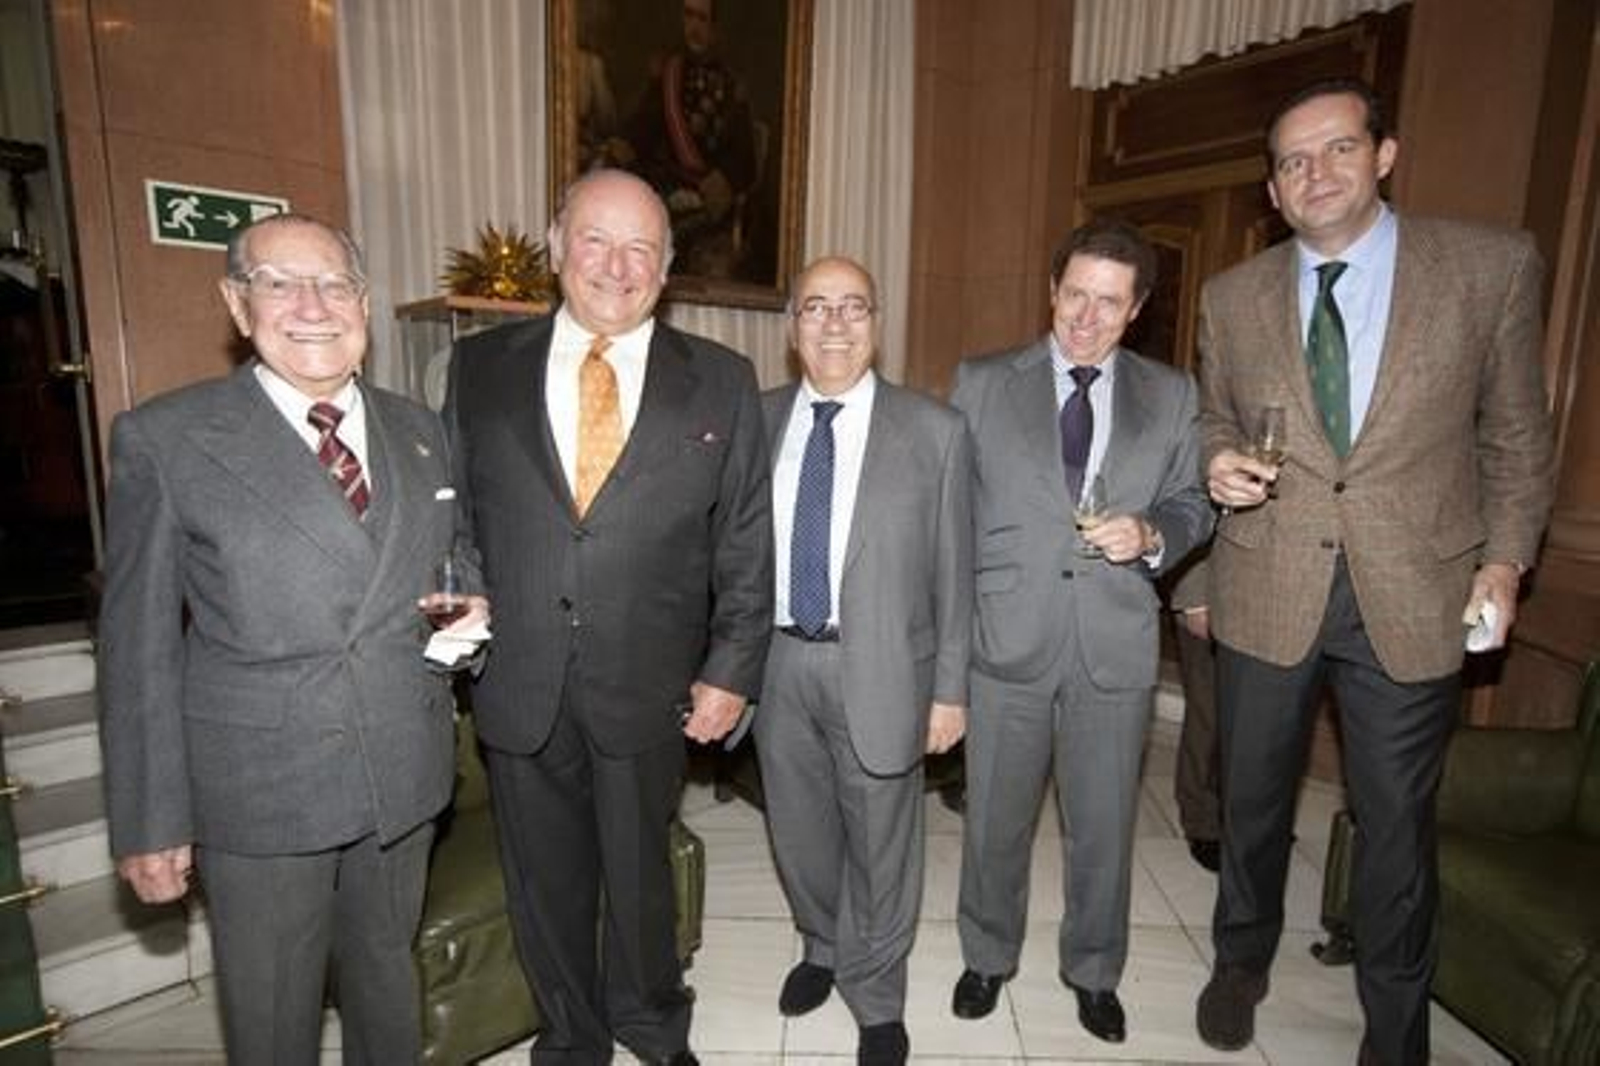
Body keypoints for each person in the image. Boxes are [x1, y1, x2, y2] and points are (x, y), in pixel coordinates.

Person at [1194, 77, 1555, 1066]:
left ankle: (1395, 1034)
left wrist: (1504, 560)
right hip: (1268, 583)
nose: (1316, 172)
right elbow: (1214, 417)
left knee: (1396, 824)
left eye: (1339, 147)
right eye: (1293, 161)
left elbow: (1517, 437)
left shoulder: (1488, 267)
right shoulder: (1230, 298)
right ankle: (1239, 962)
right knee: (1252, 803)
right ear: (1273, 189)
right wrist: (1215, 457)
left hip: (1415, 590)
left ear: (1384, 154)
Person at [99, 213, 489, 1065]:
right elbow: (136, 649)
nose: (313, 306)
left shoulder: (421, 429)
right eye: (280, 283)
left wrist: (471, 608)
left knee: (387, 989)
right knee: (274, 1018)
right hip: (263, 791)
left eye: (335, 284)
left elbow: (455, 555)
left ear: (364, 303)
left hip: (400, 770)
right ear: (238, 305)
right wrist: (150, 819)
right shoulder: (168, 439)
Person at [444, 168, 771, 1066]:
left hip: (652, 685)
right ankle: (571, 1037)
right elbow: (455, 516)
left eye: (641, 249)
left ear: (666, 268)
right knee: (542, 884)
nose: (617, 267)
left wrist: (731, 672)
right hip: (518, 678)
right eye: (596, 240)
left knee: (639, 877)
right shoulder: (479, 369)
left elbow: (746, 542)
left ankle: (653, 1023)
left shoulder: (723, 381)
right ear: (557, 246)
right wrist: (459, 602)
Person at [949, 220, 1213, 1043]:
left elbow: (1194, 502)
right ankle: (986, 956)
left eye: (1108, 302)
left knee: (1103, 826)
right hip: (1006, 636)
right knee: (995, 821)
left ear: (1136, 309)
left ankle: (1094, 971)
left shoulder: (1173, 395)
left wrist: (1154, 533)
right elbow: (948, 514)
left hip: (1114, 641)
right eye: (1075, 296)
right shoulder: (982, 381)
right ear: (1051, 291)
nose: (1086, 318)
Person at [756, 256, 973, 1066]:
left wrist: (949, 692)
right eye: (816, 307)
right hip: (777, 668)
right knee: (800, 832)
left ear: (877, 324)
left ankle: (877, 995)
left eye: (853, 307)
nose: (835, 324)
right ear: (793, 326)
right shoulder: (757, 419)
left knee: (883, 846)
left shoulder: (935, 431)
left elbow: (956, 573)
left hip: (885, 669)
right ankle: (823, 944)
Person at [616, 0, 759, 278]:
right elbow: (641, 129)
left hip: (707, 199)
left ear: (715, 28)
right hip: (664, 186)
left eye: (702, 19)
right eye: (689, 16)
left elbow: (745, 157)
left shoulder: (731, 85)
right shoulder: (667, 76)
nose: (694, 27)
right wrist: (622, 147)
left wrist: (720, 183)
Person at [1167, 552, 1221, 871]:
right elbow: (1195, 526)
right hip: (1212, 594)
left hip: (1277, 606)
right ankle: (1204, 823)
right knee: (1210, 717)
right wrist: (1194, 597)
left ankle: (1255, 818)